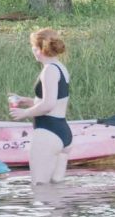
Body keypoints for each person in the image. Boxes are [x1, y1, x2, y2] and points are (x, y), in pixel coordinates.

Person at [6, 27, 72, 183]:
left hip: (48, 134)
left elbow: (48, 105)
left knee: (40, 187)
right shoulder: (61, 68)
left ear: (40, 49)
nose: (32, 50)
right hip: (63, 133)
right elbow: (55, 101)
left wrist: (25, 113)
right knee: (56, 190)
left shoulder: (48, 70)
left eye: (33, 47)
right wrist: (27, 100)